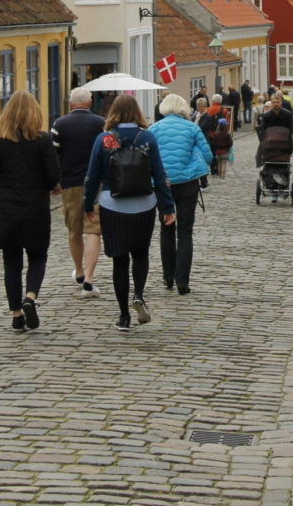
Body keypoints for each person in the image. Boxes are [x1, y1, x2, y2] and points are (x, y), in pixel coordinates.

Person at [83, 95, 175, 332]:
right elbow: (159, 172)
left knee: (119, 260)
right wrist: (168, 207)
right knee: (141, 253)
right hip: (144, 204)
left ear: (113, 113)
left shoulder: (106, 140)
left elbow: (92, 176)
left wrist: (86, 206)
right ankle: (139, 294)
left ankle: (124, 315)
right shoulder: (146, 137)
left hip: (112, 205)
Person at [0, 90, 61, 332]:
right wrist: (50, 187)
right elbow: (52, 176)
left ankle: (16, 314)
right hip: (36, 208)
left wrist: (3, 186)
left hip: (7, 209)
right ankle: (30, 297)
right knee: (38, 257)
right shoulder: (43, 140)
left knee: (11, 263)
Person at [150, 93, 212, 294]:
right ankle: (182, 281)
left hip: (162, 185)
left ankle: (168, 277)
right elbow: (208, 156)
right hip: (187, 183)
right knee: (185, 232)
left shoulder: (154, 129)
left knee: (166, 228)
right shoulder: (192, 128)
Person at [50, 87, 105, 297]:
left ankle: (80, 271)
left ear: (71, 104)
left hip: (71, 183)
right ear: (89, 103)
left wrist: (56, 182)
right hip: (97, 183)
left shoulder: (59, 125)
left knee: (74, 230)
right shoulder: (101, 123)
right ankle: (89, 278)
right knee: (93, 230)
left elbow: (54, 155)